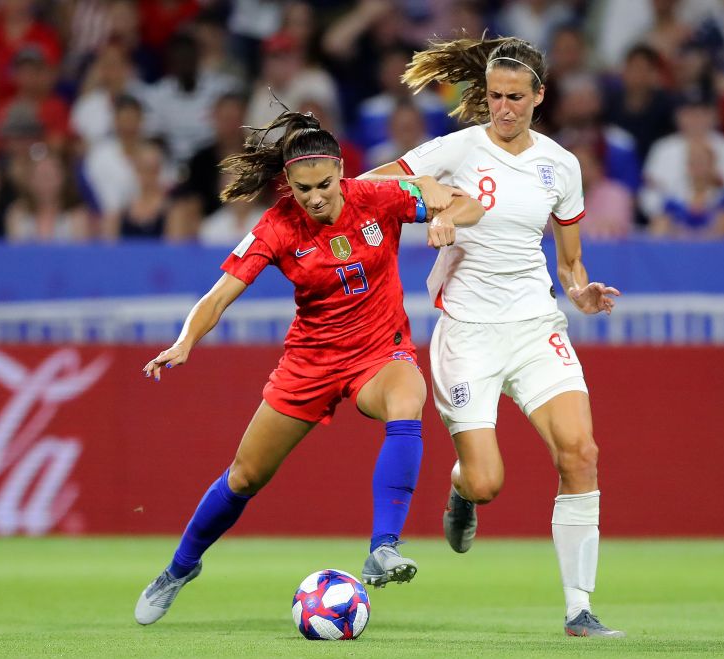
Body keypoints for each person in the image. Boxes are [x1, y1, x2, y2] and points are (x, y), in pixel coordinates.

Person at [133, 109, 484, 625]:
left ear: (342, 172)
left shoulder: (379, 197)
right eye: (303, 189)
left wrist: (448, 215)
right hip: (309, 364)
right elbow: (220, 294)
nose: (315, 197)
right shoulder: (277, 225)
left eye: (324, 184)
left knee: (407, 397)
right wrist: (186, 341)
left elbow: (470, 203)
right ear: (288, 184)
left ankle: (384, 547)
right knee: (245, 476)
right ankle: (179, 568)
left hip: (377, 353)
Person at [363, 35, 625, 638]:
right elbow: (369, 187)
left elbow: (569, 261)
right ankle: (462, 493)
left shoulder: (560, 166)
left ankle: (579, 610)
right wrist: (430, 204)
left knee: (581, 453)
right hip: (469, 334)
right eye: (494, 97)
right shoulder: (455, 148)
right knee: (487, 481)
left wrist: (580, 291)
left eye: (515, 97)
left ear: (539, 96)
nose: (503, 108)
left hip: (535, 324)